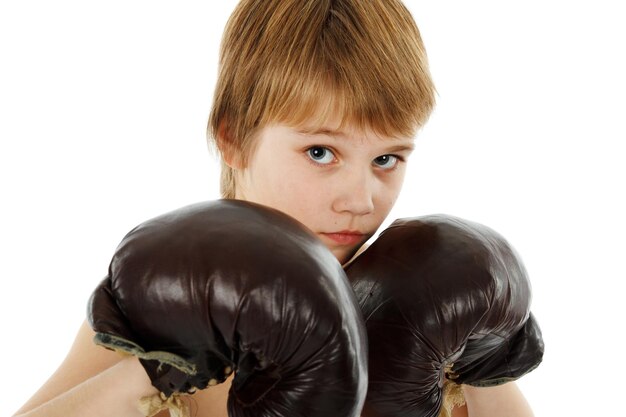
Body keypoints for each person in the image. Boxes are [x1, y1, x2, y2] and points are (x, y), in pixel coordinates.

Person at [13, 1, 535, 416]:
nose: (360, 200)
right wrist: (157, 371)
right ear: (234, 138)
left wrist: (486, 366)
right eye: (320, 152)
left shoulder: (425, 314)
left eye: (386, 158)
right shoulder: (166, 306)